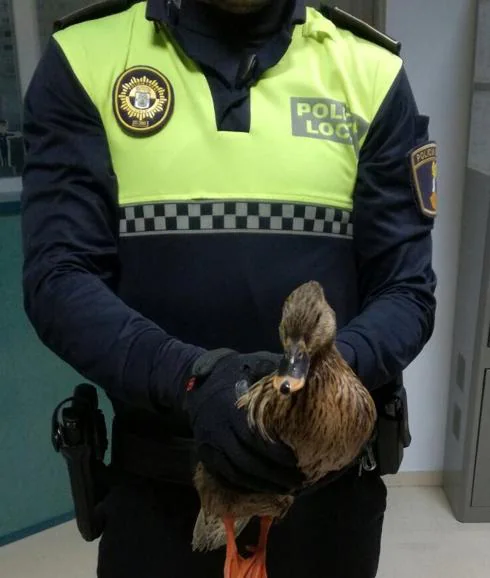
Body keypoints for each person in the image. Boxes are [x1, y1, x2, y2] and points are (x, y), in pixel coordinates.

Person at [21, 0, 437, 577]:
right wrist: (194, 380)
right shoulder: (86, 59)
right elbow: (59, 281)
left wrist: (316, 385)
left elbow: (407, 291)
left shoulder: (370, 72)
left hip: (327, 494)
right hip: (160, 492)